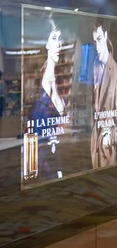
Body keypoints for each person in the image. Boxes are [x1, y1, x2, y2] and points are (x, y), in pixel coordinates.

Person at [30, 19, 66, 180]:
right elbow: (39, 142)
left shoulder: (55, 81)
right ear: (45, 44)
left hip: (59, 159)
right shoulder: (42, 88)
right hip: (46, 167)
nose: (58, 44)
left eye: (60, 38)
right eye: (53, 38)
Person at [91, 21, 117, 169]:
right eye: (94, 42)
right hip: (94, 141)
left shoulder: (116, 74)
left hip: (107, 145)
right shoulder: (95, 67)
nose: (97, 47)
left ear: (105, 36)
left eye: (99, 40)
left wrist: (111, 138)